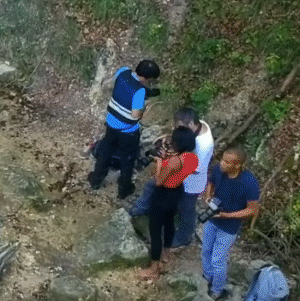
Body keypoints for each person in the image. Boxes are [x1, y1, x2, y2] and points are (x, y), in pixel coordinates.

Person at [129, 108, 214, 247]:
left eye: (179, 127)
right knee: (153, 186)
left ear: (191, 123)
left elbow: (195, 169)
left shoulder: (203, 146)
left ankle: (184, 236)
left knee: (186, 209)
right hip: (180, 174)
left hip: (191, 183)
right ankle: (141, 208)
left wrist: (166, 161)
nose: (176, 129)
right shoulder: (198, 126)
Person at [88, 60, 161, 199]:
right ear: (148, 78)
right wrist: (144, 108)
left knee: (105, 152)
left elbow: (112, 84)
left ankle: (95, 181)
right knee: (128, 159)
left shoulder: (123, 72)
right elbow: (135, 114)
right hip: (128, 131)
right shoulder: (140, 91)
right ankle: (124, 190)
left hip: (111, 123)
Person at [201, 147, 260, 299]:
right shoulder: (218, 169)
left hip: (229, 227)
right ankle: (207, 277)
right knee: (206, 250)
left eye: (227, 162)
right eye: (223, 160)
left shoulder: (249, 183)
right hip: (212, 218)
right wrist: (208, 197)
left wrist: (228, 215)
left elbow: (252, 210)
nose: (222, 164)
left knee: (218, 260)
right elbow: (210, 183)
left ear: (237, 165)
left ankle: (217, 290)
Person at [140, 126, 198, 281]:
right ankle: (166, 252)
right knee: (169, 222)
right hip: (177, 191)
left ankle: (154, 268)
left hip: (163, 194)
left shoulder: (174, 161)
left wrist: (159, 163)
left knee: (155, 230)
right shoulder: (192, 158)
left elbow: (159, 181)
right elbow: (180, 171)